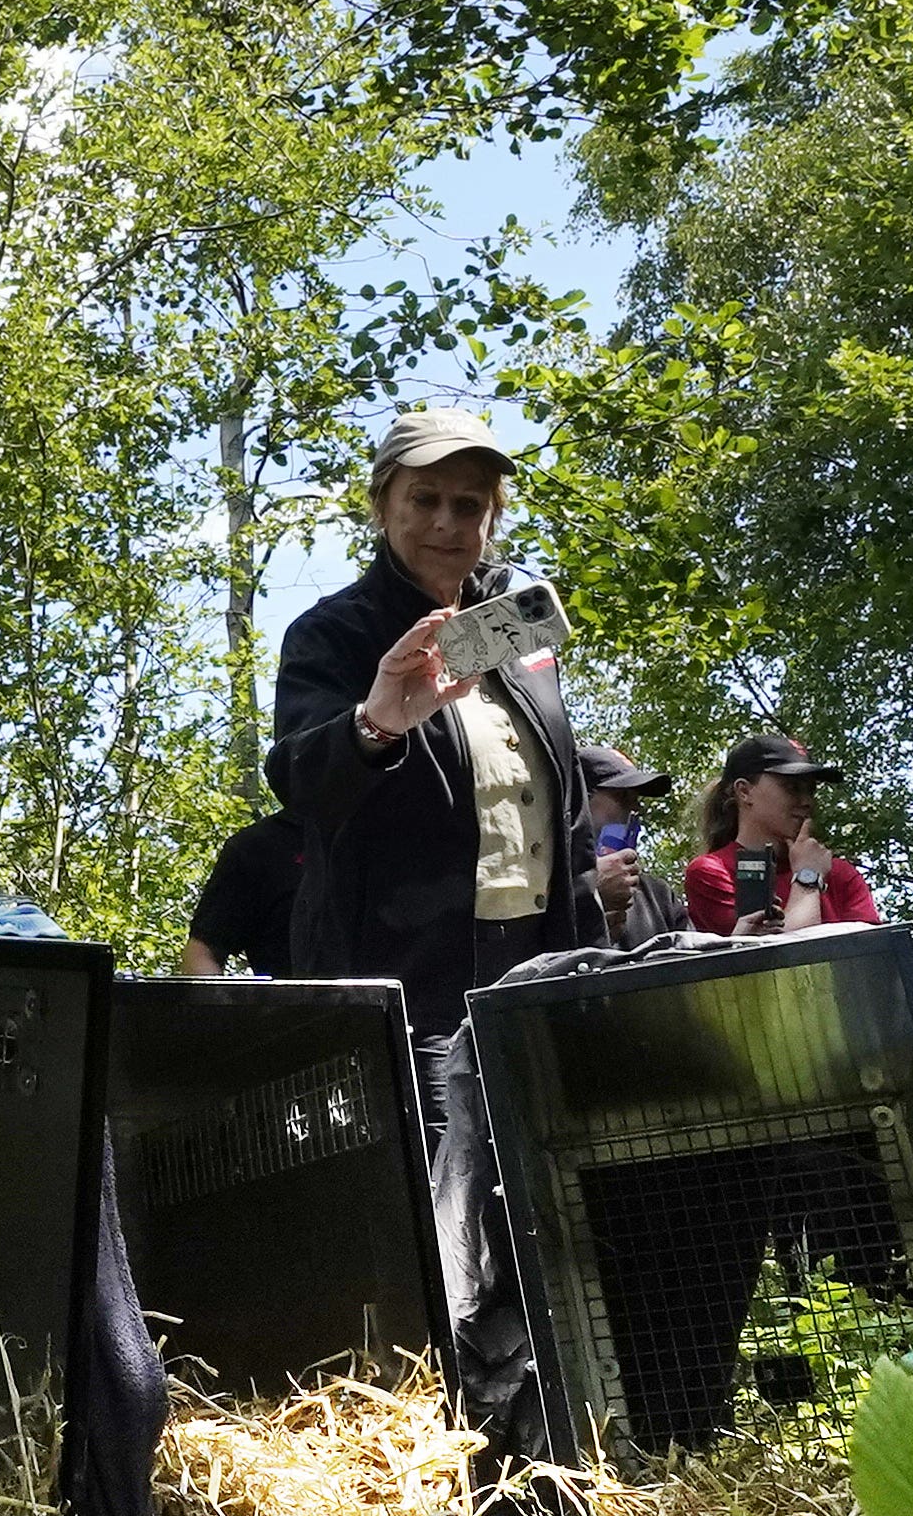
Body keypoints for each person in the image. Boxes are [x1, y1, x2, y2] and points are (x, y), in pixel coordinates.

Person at [265, 406, 599, 1059]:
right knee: (436, 1161)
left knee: (537, 1160)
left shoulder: (521, 640)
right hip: (408, 986)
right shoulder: (335, 635)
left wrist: (593, 973)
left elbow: (572, 821)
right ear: (381, 505)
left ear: (491, 519)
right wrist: (376, 721)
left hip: (539, 978)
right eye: (424, 499)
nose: (447, 522)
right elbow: (297, 784)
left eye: (469, 505)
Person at [684, 732, 883, 936]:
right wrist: (808, 880)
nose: (806, 801)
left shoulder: (840, 874)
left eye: (810, 790)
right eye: (792, 788)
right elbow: (780, 960)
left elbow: (876, 957)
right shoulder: (712, 873)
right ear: (744, 791)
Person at [578, 742, 687, 947]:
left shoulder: (659, 897)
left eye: (637, 801)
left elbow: (694, 967)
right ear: (579, 801)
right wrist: (590, 901)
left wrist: (741, 938)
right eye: (622, 797)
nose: (634, 810)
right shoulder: (544, 897)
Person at [180, 811, 302, 976]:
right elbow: (201, 953)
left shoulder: (349, 843)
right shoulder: (257, 846)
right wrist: (218, 999)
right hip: (282, 1000)